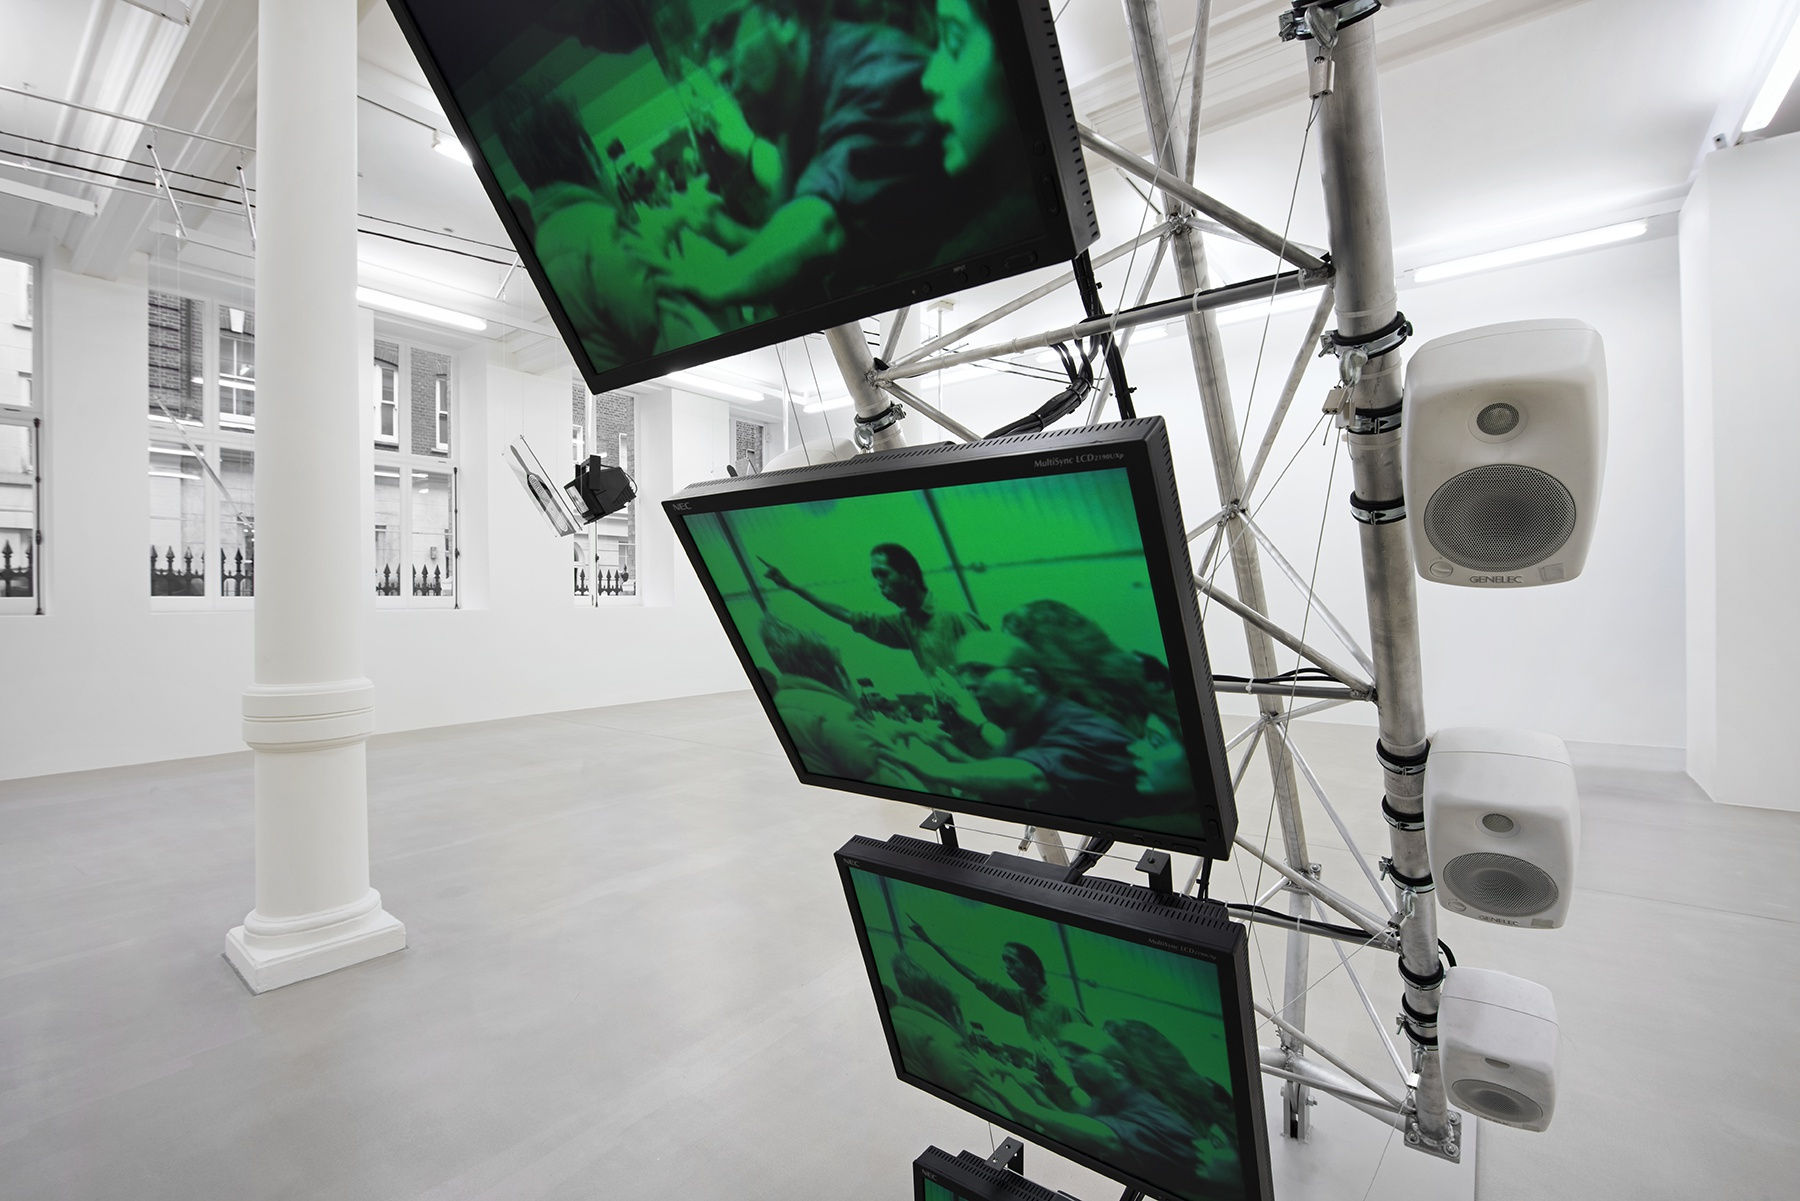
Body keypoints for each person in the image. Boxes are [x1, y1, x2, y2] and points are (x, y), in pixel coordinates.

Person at [655, 1, 948, 305]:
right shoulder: (796, 111)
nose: (716, 70)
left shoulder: (873, 68)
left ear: (783, 18)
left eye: (726, 37)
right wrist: (722, 229)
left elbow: (825, 226)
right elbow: (800, 251)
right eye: (707, 52)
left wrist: (713, 281)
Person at [503, 94, 719, 377]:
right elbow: (677, 337)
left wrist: (672, 222)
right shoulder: (600, 229)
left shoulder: (549, 239)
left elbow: (613, 280)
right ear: (587, 153)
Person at [885, 637, 1139, 809]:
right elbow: (997, 775)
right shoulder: (1021, 725)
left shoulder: (1079, 725)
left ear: (1028, 681)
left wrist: (925, 765)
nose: (968, 684)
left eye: (980, 670)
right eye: (963, 673)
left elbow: (1032, 777)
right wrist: (944, 747)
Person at [761, 543, 987, 677]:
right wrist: (792, 587)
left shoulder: (954, 614)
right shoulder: (905, 623)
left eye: (884, 574)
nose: (879, 584)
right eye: (875, 576)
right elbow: (849, 615)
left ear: (908, 575)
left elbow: (993, 664)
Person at [759, 613, 918, 787]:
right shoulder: (836, 714)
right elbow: (889, 781)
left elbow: (840, 745)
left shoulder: (783, 704)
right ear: (835, 668)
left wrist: (900, 731)